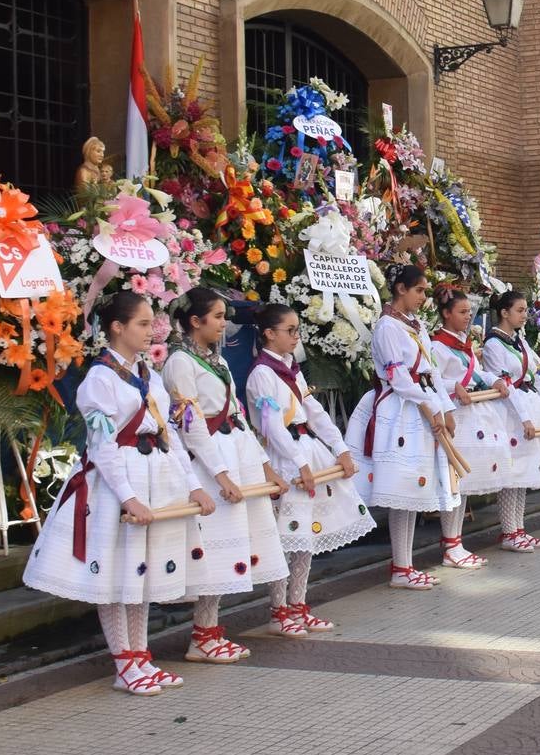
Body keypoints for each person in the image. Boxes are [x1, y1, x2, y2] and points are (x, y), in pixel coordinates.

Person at [27, 292, 211, 695]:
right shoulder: (99, 379)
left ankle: (141, 655)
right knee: (116, 574)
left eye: (152, 324)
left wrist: (194, 485)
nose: (151, 332)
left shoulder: (150, 374)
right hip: (116, 483)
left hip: (154, 474)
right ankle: (124, 663)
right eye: (143, 324)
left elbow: (169, 434)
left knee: (140, 570)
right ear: (117, 327)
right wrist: (128, 497)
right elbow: (102, 446)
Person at [164, 289, 289, 659]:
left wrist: (265, 469)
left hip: (234, 452)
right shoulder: (179, 363)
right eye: (217, 317)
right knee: (215, 546)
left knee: (233, 541)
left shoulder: (215, 361)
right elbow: (191, 425)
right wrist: (220, 475)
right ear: (195, 321)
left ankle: (210, 630)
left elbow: (236, 414)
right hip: (209, 462)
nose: (223, 324)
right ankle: (202, 636)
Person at [243, 302, 377, 626]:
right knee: (287, 537)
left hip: (307, 448)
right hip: (284, 455)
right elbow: (272, 426)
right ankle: (279, 610)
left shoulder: (291, 367)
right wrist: (300, 463)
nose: (295, 336)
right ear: (269, 334)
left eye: (297, 330)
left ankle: (298, 604)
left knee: (307, 536)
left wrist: (340, 447)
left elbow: (313, 410)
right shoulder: (262, 374)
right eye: (289, 331)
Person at [344, 265, 459, 589]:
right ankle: (400, 566)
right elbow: (398, 378)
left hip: (423, 406)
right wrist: (430, 406)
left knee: (415, 490)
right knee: (402, 490)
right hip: (401, 410)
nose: (424, 297)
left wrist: (446, 407)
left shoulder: (416, 325)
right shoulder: (387, 327)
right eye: (419, 290)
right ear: (400, 289)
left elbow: (431, 371)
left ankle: (405, 565)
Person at [428, 289, 511, 566]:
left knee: (466, 481)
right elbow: (434, 380)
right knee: (455, 481)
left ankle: (456, 541)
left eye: (469, 312)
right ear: (446, 313)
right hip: (455, 417)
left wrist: (495, 380)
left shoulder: (463, 343)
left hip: (473, 413)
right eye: (462, 312)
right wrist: (455, 386)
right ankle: (451, 543)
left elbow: (476, 371)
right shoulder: (437, 346)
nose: (467, 317)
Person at [482, 291, 540, 551]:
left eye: (526, 310)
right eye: (519, 310)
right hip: (509, 412)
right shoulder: (494, 343)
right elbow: (504, 383)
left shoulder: (519, 341)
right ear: (504, 312)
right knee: (512, 470)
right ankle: (508, 532)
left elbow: (538, 375)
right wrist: (524, 418)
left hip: (528, 405)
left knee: (525, 470)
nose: (524, 315)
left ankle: (519, 528)